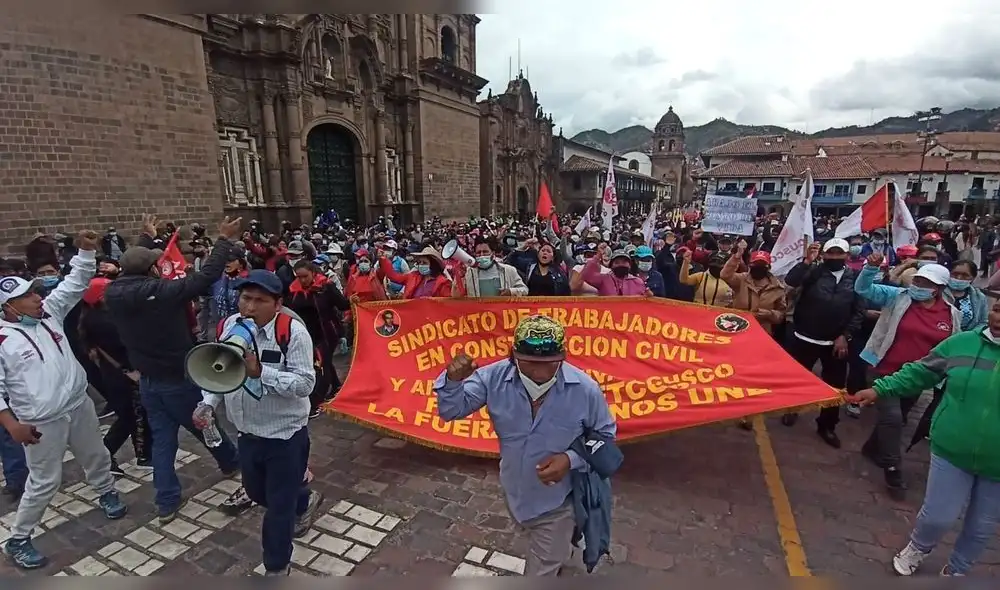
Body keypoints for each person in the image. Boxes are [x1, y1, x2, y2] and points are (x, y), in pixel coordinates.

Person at [435, 315, 616, 576]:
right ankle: (561, 551)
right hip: (515, 492)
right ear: (513, 355)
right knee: (547, 547)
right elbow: (451, 410)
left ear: (562, 358)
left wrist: (569, 459)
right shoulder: (491, 379)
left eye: (550, 364)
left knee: (540, 570)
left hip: (559, 502)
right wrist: (452, 382)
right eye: (530, 363)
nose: (540, 373)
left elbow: (605, 436)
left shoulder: (586, 390)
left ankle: (557, 551)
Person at [0, 230, 127, 569]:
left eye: (35, 292)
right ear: (10, 308)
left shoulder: (50, 314)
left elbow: (74, 284)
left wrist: (86, 252)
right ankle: (19, 538)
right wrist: (12, 424)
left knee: (96, 454)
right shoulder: (3, 340)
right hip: (40, 421)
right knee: (44, 481)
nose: (38, 298)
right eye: (29, 297)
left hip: (77, 404)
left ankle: (106, 491)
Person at [104, 215, 242, 524]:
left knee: (164, 442)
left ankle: (166, 500)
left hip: (149, 382)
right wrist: (223, 241)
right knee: (205, 424)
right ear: (152, 270)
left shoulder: (113, 294)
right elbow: (203, 278)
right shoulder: (161, 294)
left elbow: (132, 267)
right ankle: (231, 460)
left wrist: (144, 239)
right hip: (178, 378)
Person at [846, 300, 1000, 576]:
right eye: (998, 309)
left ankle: (957, 571)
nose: (998, 317)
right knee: (938, 517)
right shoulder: (962, 343)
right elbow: (919, 372)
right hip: (952, 449)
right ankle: (918, 547)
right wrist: (880, 389)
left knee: (981, 527)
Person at [194, 270, 323, 577]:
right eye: (245, 298)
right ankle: (303, 496)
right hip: (248, 432)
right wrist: (208, 403)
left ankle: (277, 568)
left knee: (278, 510)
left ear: (277, 304)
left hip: (285, 435)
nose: (249, 307)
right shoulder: (230, 327)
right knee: (256, 492)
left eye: (260, 300)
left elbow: (305, 384)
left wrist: (260, 372)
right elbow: (219, 371)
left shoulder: (292, 332)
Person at [853, 255, 960, 500]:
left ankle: (871, 449)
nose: (918, 287)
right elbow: (863, 289)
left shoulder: (951, 315)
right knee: (892, 418)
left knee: (895, 418)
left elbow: (951, 347)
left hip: (917, 378)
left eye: (925, 284)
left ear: (939, 289)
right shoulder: (898, 297)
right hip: (883, 369)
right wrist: (870, 267)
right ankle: (893, 469)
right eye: (918, 281)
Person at [780, 238, 864, 448]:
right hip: (805, 337)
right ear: (824, 255)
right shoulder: (813, 273)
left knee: (834, 387)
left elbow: (858, 312)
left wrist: (845, 335)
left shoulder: (854, 278)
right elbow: (791, 281)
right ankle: (792, 409)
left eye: (839, 254)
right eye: (830, 254)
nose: (834, 258)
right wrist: (807, 261)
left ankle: (827, 426)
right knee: (798, 379)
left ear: (847, 256)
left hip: (835, 344)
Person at [80, 277, 152, 474]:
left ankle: (143, 453)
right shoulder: (101, 320)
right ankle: (109, 453)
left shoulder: (94, 316)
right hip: (122, 374)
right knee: (130, 416)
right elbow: (126, 342)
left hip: (115, 373)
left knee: (133, 415)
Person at [286, 261, 349, 418]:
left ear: (313, 273)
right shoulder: (293, 290)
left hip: (327, 333)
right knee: (324, 362)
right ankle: (336, 386)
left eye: (305, 276)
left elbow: (342, 305)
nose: (302, 280)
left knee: (322, 365)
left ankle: (316, 402)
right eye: (298, 277)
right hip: (306, 333)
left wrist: (354, 301)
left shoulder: (326, 287)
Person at [455, 237, 528, 297]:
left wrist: (511, 292)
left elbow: (525, 290)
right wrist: (459, 278)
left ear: (493, 253)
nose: (482, 255)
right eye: (478, 252)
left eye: (485, 252)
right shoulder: (468, 273)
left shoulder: (509, 270)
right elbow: (455, 296)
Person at [379, 246, 452, 299]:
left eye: (424, 263)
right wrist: (384, 259)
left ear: (433, 265)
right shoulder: (412, 276)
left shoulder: (443, 283)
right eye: (420, 262)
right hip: (412, 315)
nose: (421, 265)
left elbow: (445, 304)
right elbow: (393, 276)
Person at [581, 245, 649, 296]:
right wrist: (598, 255)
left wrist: (649, 296)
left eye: (624, 262)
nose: (621, 265)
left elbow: (644, 303)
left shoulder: (637, 282)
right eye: (617, 262)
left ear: (630, 265)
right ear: (611, 266)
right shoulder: (604, 279)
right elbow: (586, 275)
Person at [946, 260, 988, 331]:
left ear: (973, 278)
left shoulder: (979, 297)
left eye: (965, 275)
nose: (959, 278)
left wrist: (969, 336)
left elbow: (983, 322)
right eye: (955, 274)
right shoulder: (939, 293)